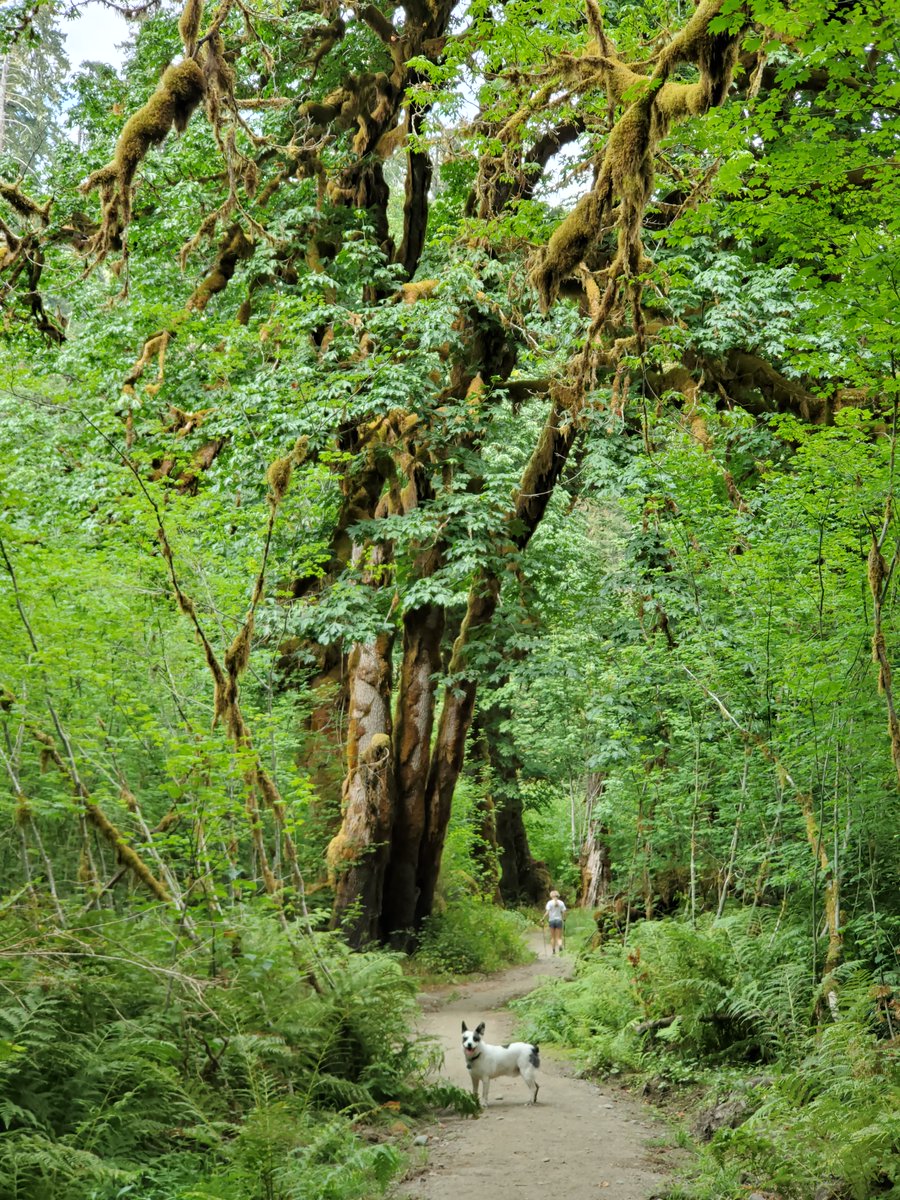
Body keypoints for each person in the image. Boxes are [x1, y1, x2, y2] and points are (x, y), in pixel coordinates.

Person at [544, 890, 567, 955]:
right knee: (559, 937)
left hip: (551, 921)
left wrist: (542, 919)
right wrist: (564, 918)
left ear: (551, 896)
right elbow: (564, 912)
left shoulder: (549, 903)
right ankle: (560, 946)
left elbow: (547, 912)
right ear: (558, 895)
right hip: (559, 920)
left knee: (552, 937)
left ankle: (553, 951)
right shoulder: (561, 903)